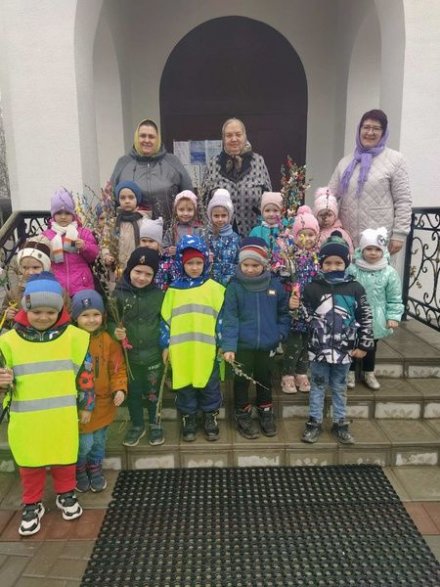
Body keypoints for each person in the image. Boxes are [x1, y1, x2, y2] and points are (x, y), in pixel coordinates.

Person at [0, 272, 94, 536]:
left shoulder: (75, 338)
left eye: (50, 312)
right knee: (30, 461)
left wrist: (87, 404)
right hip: (26, 419)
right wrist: (2, 383)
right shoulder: (7, 342)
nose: (43, 317)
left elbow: (86, 375)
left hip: (62, 416)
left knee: (65, 456)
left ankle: (66, 494)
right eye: (37, 311)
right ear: (25, 308)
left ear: (60, 310)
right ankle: (32, 503)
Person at [298, 232, 373, 445]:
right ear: (321, 264)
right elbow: (306, 318)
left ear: (346, 263)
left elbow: (365, 317)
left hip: (344, 350)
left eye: (338, 263)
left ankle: (340, 423)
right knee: (317, 386)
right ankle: (314, 423)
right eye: (328, 263)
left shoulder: (355, 288)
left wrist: (364, 344)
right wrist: (297, 307)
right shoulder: (312, 287)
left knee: (340, 388)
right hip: (319, 350)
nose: (333, 267)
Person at [222, 237, 290, 439]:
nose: (250, 269)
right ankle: (242, 413)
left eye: (255, 265)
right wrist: (229, 346)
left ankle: (265, 411)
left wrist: (280, 333)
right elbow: (230, 317)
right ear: (240, 264)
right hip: (243, 345)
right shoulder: (234, 287)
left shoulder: (274, 285)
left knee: (264, 379)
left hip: (267, 345)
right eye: (246, 265)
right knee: (242, 381)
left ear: (264, 265)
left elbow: (283, 313)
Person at [161, 235, 225, 442]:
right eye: (190, 263)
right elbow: (165, 320)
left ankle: (210, 416)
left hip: (208, 349)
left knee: (209, 384)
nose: (195, 267)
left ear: (205, 262)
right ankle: (188, 417)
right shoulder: (173, 290)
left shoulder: (215, 289)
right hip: (181, 350)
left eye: (199, 262)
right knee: (185, 384)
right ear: (182, 263)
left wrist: (222, 344)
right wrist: (165, 345)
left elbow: (223, 319)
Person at [328, 109, 412, 254]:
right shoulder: (346, 162)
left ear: (383, 132)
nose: (370, 132)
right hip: (348, 237)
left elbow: (403, 200)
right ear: (359, 129)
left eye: (376, 128)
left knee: (378, 269)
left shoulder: (395, 160)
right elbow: (330, 196)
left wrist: (400, 234)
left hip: (377, 240)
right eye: (366, 127)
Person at [71, 289, 127, 493]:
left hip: (104, 403)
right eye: (85, 315)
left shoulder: (107, 340)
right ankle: (79, 468)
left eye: (95, 314)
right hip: (80, 405)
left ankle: (95, 467)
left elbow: (117, 367)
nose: (91, 319)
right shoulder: (70, 341)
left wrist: (119, 388)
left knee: (99, 442)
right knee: (84, 442)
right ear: (75, 317)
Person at [108, 248, 165, 447]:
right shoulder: (118, 294)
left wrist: (165, 346)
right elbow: (110, 320)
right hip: (129, 357)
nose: (142, 277)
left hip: (153, 356)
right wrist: (114, 330)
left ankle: (156, 423)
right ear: (129, 269)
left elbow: (164, 322)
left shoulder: (159, 295)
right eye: (138, 272)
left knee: (153, 392)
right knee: (133, 394)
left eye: (148, 274)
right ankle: (137, 424)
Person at [347, 227, 404, 390]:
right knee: (351, 342)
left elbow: (394, 297)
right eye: (369, 249)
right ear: (361, 250)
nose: (373, 253)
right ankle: (349, 372)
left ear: (383, 251)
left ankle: (369, 372)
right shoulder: (352, 270)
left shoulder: (389, 273)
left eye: (377, 249)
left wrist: (393, 316)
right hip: (354, 314)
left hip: (376, 317)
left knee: (370, 346)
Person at [110, 118, 193, 227]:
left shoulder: (173, 161)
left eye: (151, 137)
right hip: (133, 232)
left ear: (157, 139)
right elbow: (111, 199)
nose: (147, 140)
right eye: (142, 136)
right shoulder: (123, 163)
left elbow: (189, 196)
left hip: (170, 231)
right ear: (136, 138)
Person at [202, 118, 272, 237]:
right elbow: (202, 203)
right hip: (220, 239)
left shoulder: (258, 161)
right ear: (223, 139)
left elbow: (269, 200)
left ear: (245, 136)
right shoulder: (213, 164)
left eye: (238, 134)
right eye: (229, 135)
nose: (234, 139)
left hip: (253, 236)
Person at [280, 206, 320, 394]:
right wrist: (289, 298)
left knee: (307, 343)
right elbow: (282, 281)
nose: (307, 239)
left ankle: (302, 372)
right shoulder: (289, 258)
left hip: (312, 309)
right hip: (295, 308)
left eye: (311, 235)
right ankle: (287, 374)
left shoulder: (318, 258)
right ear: (295, 236)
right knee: (294, 343)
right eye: (302, 235)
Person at [42, 188, 99, 296]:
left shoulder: (83, 233)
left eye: (67, 213)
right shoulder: (46, 236)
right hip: (57, 286)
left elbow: (95, 255)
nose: (63, 217)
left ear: (73, 214)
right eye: (59, 213)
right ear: (53, 215)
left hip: (81, 284)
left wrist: (85, 246)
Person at [0, 239, 52, 330]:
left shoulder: (55, 290)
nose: (30, 272)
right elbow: (3, 314)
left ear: (46, 267)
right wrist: (6, 315)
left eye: (35, 267)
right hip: (21, 334)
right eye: (25, 268)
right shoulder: (15, 292)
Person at [101, 180, 148, 276]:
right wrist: (106, 255)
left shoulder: (145, 222)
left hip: (139, 270)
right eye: (123, 198)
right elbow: (105, 243)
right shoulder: (112, 223)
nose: (127, 201)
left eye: (131, 197)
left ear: (137, 199)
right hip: (118, 270)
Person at [205, 188, 240, 286]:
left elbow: (238, 260)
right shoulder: (206, 235)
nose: (220, 219)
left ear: (229, 216)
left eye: (223, 215)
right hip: (210, 281)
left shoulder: (234, 237)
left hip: (230, 281)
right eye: (216, 216)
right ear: (210, 216)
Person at [138, 216, 176, 291]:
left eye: (151, 241)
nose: (147, 244)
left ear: (158, 243)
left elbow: (174, 283)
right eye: (144, 241)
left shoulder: (167, 262)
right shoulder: (137, 260)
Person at [162, 190, 204, 256]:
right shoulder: (172, 231)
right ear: (176, 210)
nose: (185, 213)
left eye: (189, 210)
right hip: (175, 262)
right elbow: (162, 249)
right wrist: (168, 250)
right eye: (181, 209)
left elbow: (205, 249)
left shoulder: (199, 230)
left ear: (195, 211)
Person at [313, 186, 354, 254]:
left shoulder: (342, 233)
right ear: (316, 216)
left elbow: (350, 252)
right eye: (321, 215)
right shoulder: (315, 233)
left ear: (335, 216)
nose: (326, 219)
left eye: (329, 215)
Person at [249, 191, 284, 256]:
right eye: (267, 210)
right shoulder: (256, 231)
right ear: (262, 212)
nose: (271, 214)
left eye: (275, 210)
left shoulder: (285, 231)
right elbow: (250, 251)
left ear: (281, 212)